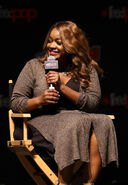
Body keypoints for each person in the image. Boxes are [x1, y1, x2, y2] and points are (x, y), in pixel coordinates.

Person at [11, 21, 118, 185]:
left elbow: (93, 103)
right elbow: (16, 102)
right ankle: (63, 181)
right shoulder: (34, 67)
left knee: (103, 121)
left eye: (58, 42)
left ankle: (89, 182)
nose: (51, 46)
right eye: (49, 40)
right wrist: (39, 100)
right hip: (41, 123)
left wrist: (62, 83)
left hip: (78, 119)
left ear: (71, 45)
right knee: (74, 122)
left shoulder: (87, 68)